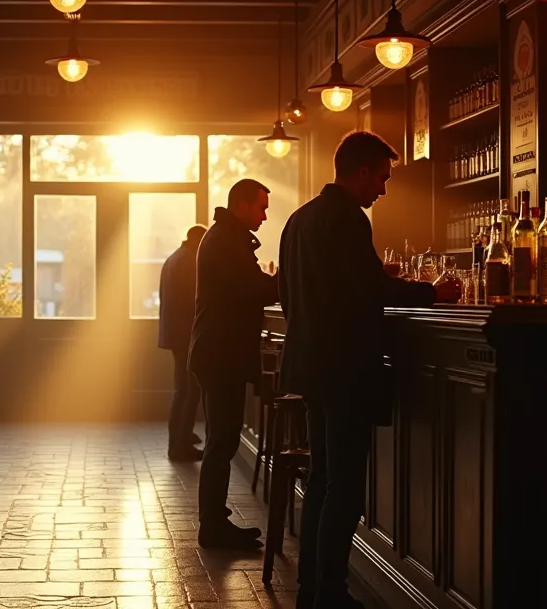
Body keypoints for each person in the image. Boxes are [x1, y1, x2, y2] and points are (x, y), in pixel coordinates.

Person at [279, 131, 460, 609]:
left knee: (321, 480)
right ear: (360, 172)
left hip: (309, 367)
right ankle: (331, 593)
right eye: (381, 178)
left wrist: (380, 280)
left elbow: (302, 291)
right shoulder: (347, 219)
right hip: (343, 370)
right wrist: (431, 294)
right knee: (344, 488)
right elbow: (367, 292)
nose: (382, 190)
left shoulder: (299, 219)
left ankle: (311, 589)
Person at [190, 178, 280, 550]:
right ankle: (212, 526)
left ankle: (215, 520)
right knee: (221, 442)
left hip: (215, 352)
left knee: (220, 441)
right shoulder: (228, 241)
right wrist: (289, 279)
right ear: (241, 205)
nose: (263, 215)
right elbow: (254, 289)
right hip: (220, 354)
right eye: (260, 207)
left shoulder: (223, 236)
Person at [158, 224, 208, 461]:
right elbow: (194, 301)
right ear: (199, 242)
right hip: (187, 335)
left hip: (175, 334)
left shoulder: (173, 259)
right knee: (188, 391)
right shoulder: (190, 262)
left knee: (182, 390)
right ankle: (180, 445)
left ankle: (179, 439)